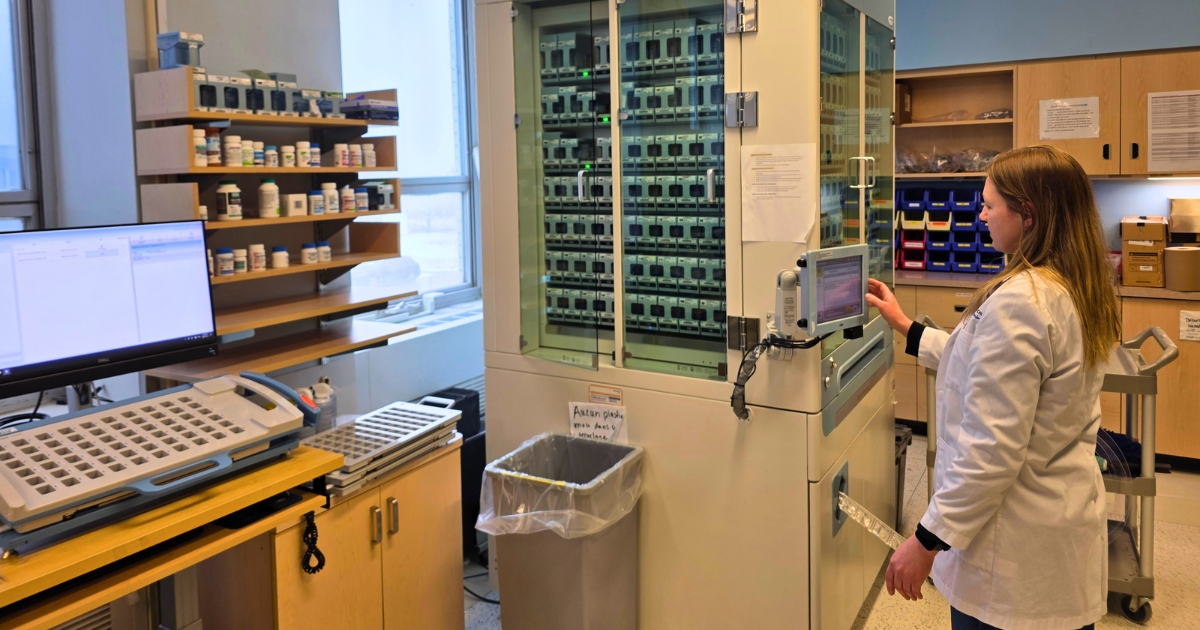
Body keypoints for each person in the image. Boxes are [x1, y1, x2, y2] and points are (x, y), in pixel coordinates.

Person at [867, 145, 1121, 630]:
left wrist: (924, 542)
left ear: (1028, 215)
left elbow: (991, 451)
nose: (979, 213)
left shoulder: (1022, 302)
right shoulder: (1072, 286)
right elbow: (980, 363)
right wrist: (904, 324)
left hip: (1013, 560)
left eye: (989, 204)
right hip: (1058, 528)